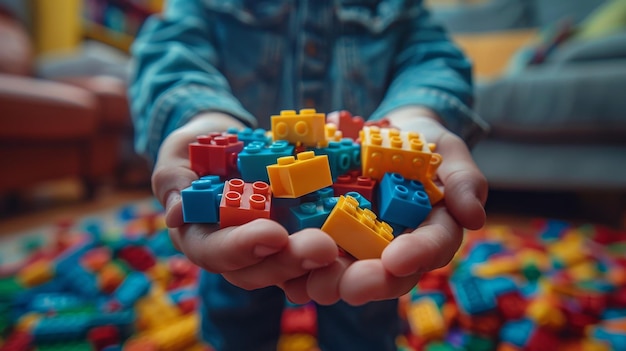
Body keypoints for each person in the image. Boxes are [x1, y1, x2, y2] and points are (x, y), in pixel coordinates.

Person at [129, 1, 489, 350]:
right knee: (234, 306)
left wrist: (421, 112)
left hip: (365, 241)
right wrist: (197, 115)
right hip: (236, 227)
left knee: (365, 309)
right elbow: (173, 48)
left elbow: (430, 56)